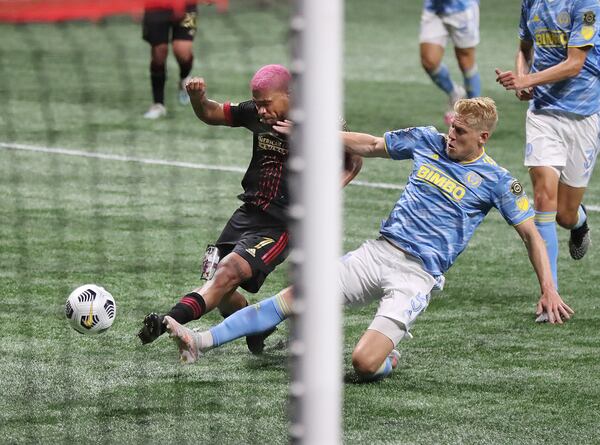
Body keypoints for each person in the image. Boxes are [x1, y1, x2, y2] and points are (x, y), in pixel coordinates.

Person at [164, 97, 573, 382]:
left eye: (461, 133)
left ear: (482, 138)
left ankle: (388, 357)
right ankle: (198, 341)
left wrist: (548, 289)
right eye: (452, 127)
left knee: (362, 364)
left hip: (418, 276)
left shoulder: (499, 182)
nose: (452, 136)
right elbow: (372, 144)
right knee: (290, 299)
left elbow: (531, 235)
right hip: (379, 252)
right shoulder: (428, 140)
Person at [138, 64, 363, 353]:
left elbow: (354, 158)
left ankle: (168, 320)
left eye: (266, 104)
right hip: (248, 212)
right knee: (220, 288)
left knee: (228, 271)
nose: (260, 111)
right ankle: (260, 326)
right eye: (256, 104)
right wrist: (197, 98)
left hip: (283, 222)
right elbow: (212, 112)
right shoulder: (258, 114)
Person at [495, 0, 600, 291]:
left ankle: (579, 221)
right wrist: (522, 80)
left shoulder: (588, 5)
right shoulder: (531, 2)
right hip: (543, 114)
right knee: (542, 199)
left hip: (584, 117)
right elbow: (524, 49)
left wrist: (526, 78)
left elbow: (575, 64)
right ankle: (549, 293)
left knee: (565, 215)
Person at [419, 0, 481, 125]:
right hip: (434, 8)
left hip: (462, 8)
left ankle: (476, 112)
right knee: (429, 62)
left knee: (465, 62)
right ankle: (456, 93)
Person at [142, 1, 198, 119]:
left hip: (187, 7)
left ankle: (184, 77)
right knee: (159, 53)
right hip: (155, 6)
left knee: (182, 51)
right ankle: (158, 104)